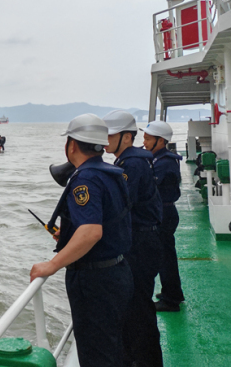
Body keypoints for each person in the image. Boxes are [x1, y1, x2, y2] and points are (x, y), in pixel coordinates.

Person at [30, 114, 133, 367]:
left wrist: (52, 265)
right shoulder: (112, 173)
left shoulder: (85, 179)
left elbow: (91, 232)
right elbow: (109, 222)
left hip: (95, 281)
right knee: (113, 347)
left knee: (97, 354)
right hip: (118, 271)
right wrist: (68, 234)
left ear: (72, 145)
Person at [103, 110, 164, 367]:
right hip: (140, 241)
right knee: (135, 309)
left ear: (127, 137)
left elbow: (120, 205)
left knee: (138, 312)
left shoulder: (133, 164)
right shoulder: (128, 161)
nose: (106, 139)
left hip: (140, 244)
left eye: (112, 134)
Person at [143, 120, 185, 312]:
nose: (144, 142)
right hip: (164, 212)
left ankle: (171, 299)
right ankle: (172, 291)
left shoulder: (165, 162)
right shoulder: (160, 158)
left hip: (164, 214)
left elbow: (150, 188)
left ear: (160, 141)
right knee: (165, 255)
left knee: (164, 257)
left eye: (148, 138)